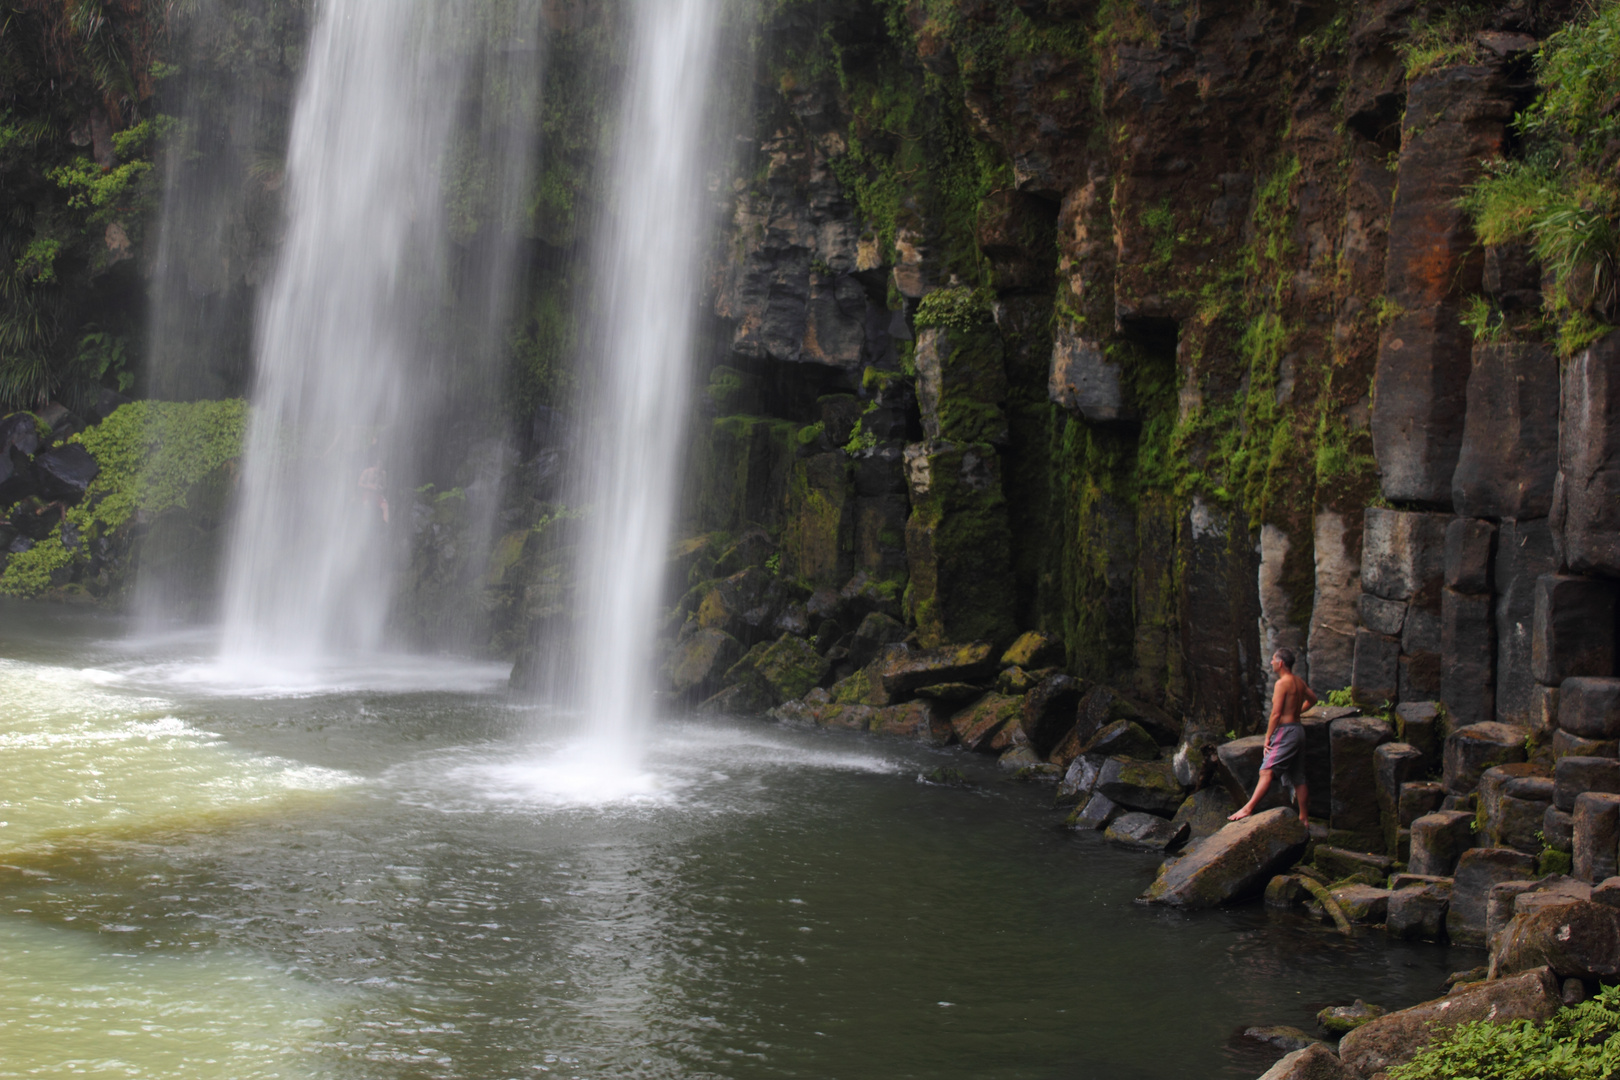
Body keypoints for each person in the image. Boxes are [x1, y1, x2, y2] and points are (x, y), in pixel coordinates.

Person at [1228, 647, 1316, 824]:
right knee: (1298, 777)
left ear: (1281, 663)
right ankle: (1304, 818)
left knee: (1266, 770)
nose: (1271, 662)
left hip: (1286, 732)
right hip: (1298, 730)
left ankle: (1248, 808)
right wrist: (1296, 711)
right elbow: (1313, 699)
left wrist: (1268, 737)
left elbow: (1275, 714)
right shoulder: (1298, 682)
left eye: (1273, 659)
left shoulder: (1282, 683)